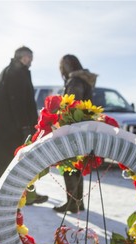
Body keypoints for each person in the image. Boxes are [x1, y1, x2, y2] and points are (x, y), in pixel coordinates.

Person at [0, 46, 48, 206]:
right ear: (22, 57)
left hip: (10, 126)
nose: (31, 61)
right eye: (29, 57)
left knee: (14, 161)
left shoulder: (14, 71)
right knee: (10, 161)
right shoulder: (16, 73)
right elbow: (18, 102)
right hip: (13, 127)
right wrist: (24, 126)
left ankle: (22, 195)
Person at [53, 54, 98, 213]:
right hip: (83, 128)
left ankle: (72, 203)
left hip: (72, 128)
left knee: (69, 165)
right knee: (76, 166)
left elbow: (72, 106)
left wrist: (62, 123)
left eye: (62, 66)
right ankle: (78, 203)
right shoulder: (83, 80)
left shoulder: (75, 82)